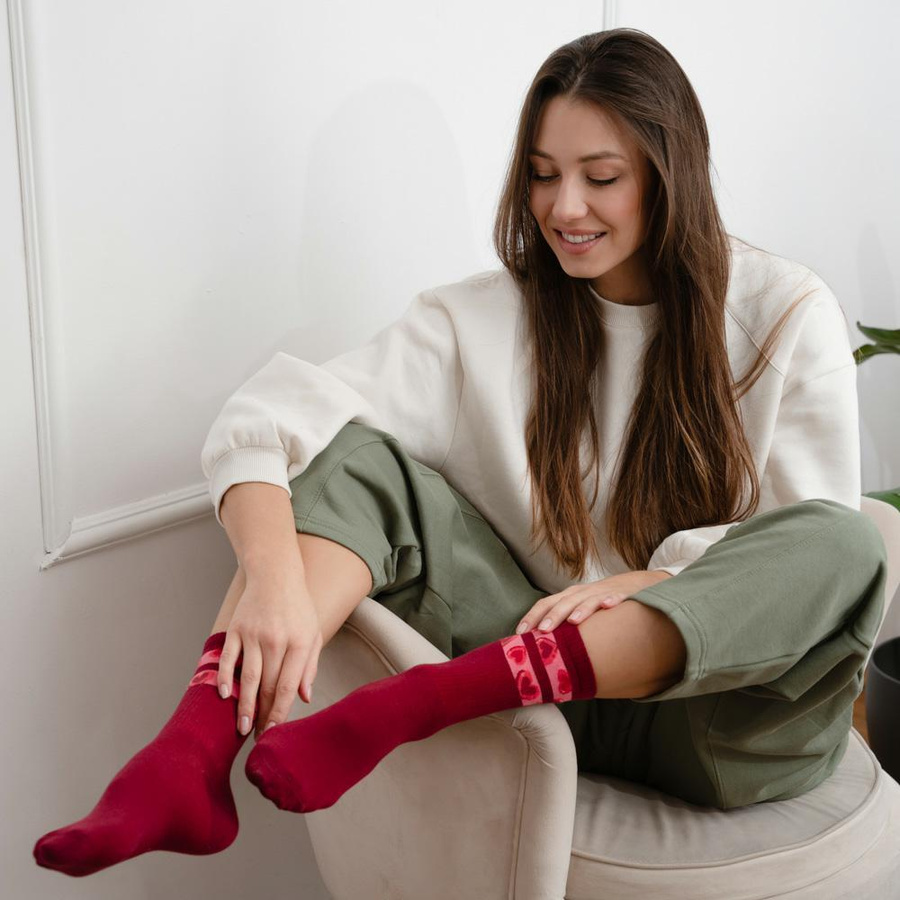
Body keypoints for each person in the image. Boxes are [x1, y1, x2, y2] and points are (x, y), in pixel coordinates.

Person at [34, 27, 887, 878]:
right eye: (543, 175)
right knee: (351, 459)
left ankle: (415, 704)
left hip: (726, 728)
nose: (565, 209)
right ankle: (189, 752)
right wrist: (273, 580)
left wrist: (659, 582)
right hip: (543, 686)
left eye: (601, 178)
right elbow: (270, 415)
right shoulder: (482, 318)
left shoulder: (782, 311)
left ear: (672, 176)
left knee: (845, 540)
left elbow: (802, 554)